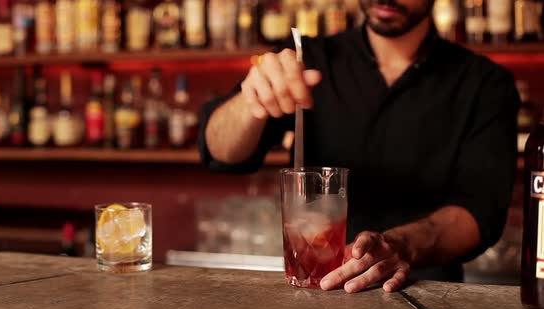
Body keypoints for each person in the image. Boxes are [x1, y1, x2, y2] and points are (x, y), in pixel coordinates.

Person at [197, 0, 520, 293]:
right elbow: (219, 151)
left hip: (428, 298)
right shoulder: (307, 58)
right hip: (316, 295)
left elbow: (479, 212)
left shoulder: (485, 83)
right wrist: (250, 102)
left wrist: (400, 245)